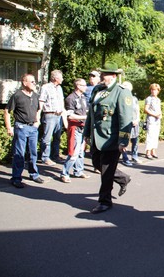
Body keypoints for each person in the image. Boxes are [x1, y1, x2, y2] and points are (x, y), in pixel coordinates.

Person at [83, 62, 133, 214]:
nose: (102, 77)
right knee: (97, 163)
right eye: (101, 74)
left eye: (104, 74)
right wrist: (86, 133)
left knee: (105, 171)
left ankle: (104, 201)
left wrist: (123, 140)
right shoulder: (97, 90)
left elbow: (126, 118)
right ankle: (123, 178)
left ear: (113, 76)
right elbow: (91, 113)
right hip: (97, 137)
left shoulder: (121, 92)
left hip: (111, 139)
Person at [4, 73, 44, 188]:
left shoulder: (36, 96)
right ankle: (16, 178)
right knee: (19, 154)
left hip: (33, 128)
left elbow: (38, 110)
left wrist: (37, 121)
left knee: (33, 153)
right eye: (32, 82)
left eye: (34, 82)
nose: (34, 84)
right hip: (21, 127)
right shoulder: (17, 95)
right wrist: (9, 127)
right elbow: (7, 111)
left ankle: (34, 174)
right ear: (24, 82)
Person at [60, 78, 90, 183]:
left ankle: (78, 171)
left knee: (81, 151)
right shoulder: (70, 98)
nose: (86, 87)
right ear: (78, 86)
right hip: (75, 128)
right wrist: (85, 117)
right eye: (84, 85)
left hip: (83, 128)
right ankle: (64, 173)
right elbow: (70, 115)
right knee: (73, 153)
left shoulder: (83, 97)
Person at [39, 69, 66, 166]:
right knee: (47, 137)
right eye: (61, 77)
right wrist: (38, 114)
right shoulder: (46, 87)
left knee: (57, 137)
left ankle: (55, 156)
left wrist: (64, 115)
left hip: (59, 116)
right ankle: (45, 157)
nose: (62, 79)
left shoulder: (59, 88)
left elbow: (62, 102)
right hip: (49, 115)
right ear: (56, 78)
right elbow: (41, 100)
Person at [120, 81, 142, 166]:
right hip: (125, 124)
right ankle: (125, 158)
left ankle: (134, 156)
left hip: (135, 123)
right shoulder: (121, 98)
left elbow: (137, 110)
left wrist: (137, 119)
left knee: (135, 140)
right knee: (124, 141)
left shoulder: (134, 99)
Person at [144, 83, 162, 159]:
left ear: (158, 91)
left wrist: (160, 114)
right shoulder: (149, 99)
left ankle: (153, 151)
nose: (153, 91)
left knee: (155, 136)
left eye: (154, 90)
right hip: (151, 120)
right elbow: (145, 109)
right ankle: (148, 152)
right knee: (150, 136)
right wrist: (154, 115)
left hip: (157, 121)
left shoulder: (158, 100)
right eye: (152, 89)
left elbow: (159, 109)